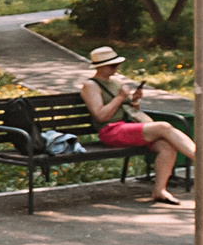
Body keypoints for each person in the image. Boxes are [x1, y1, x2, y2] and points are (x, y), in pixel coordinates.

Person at [79, 44, 193, 206]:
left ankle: (160, 190)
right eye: (112, 65)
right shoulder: (91, 86)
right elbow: (100, 116)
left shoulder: (116, 82)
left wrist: (135, 101)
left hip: (127, 126)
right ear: (100, 67)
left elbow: (130, 111)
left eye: (117, 64)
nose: (116, 68)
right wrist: (120, 97)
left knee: (166, 146)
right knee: (164, 127)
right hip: (110, 130)